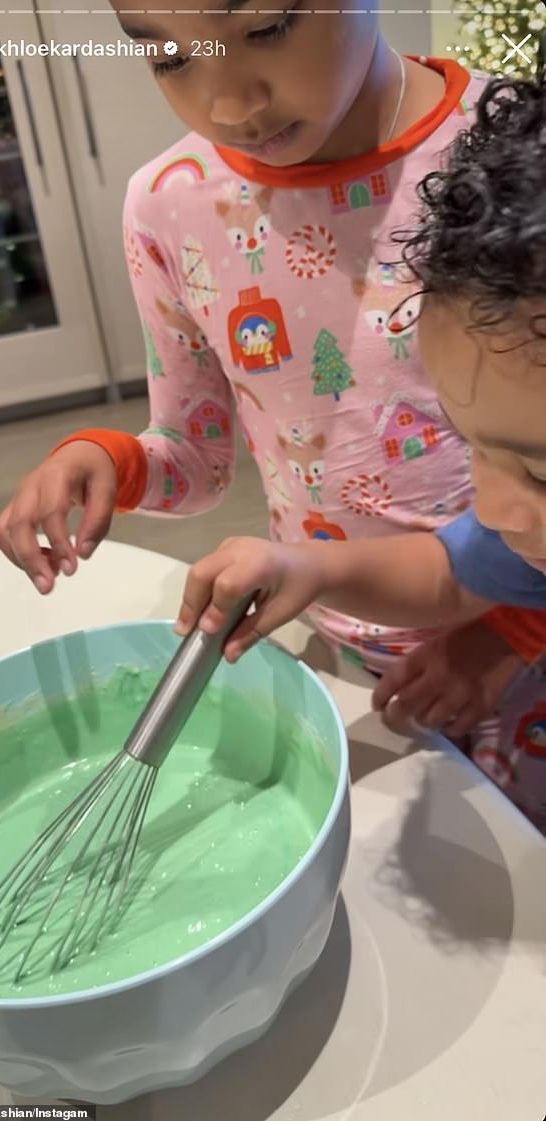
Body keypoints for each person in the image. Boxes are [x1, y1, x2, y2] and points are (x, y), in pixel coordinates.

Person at [0, 7, 546, 815]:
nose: (228, 103)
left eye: (268, 29)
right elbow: (196, 455)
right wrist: (115, 462)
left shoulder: (508, 160)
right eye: (171, 59)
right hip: (342, 648)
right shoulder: (168, 207)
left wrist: (510, 635)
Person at [175, 56, 546, 827]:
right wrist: (309, 565)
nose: (494, 505)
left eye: (539, 472)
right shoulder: (520, 528)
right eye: (475, 448)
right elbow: (451, 573)